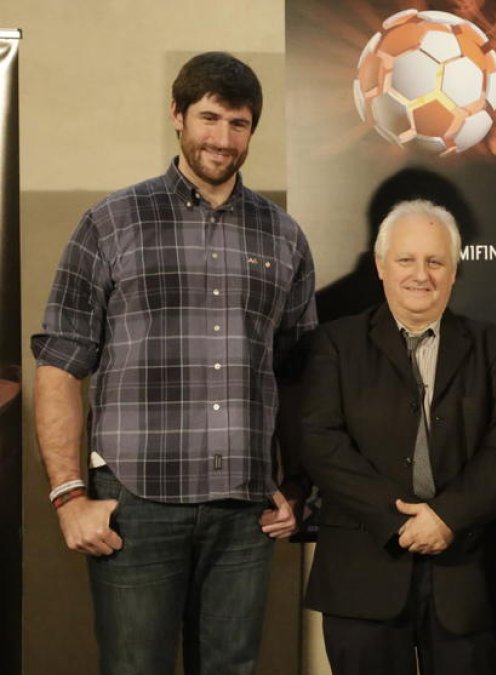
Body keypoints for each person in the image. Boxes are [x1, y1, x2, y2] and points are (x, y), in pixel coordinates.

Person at [31, 51, 316, 673]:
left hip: (245, 512)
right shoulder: (110, 223)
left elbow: (295, 373)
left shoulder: (284, 237)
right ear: (177, 116)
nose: (222, 139)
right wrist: (67, 494)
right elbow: (59, 364)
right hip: (136, 504)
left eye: (238, 124)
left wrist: (295, 483)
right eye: (209, 119)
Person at [299, 199, 496, 675]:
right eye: (406, 260)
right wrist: (398, 519)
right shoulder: (335, 344)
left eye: (435, 261)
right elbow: (321, 441)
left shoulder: (494, 347)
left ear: (454, 271)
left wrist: (447, 516)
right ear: (381, 266)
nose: (420, 274)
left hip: (469, 578)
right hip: (364, 575)